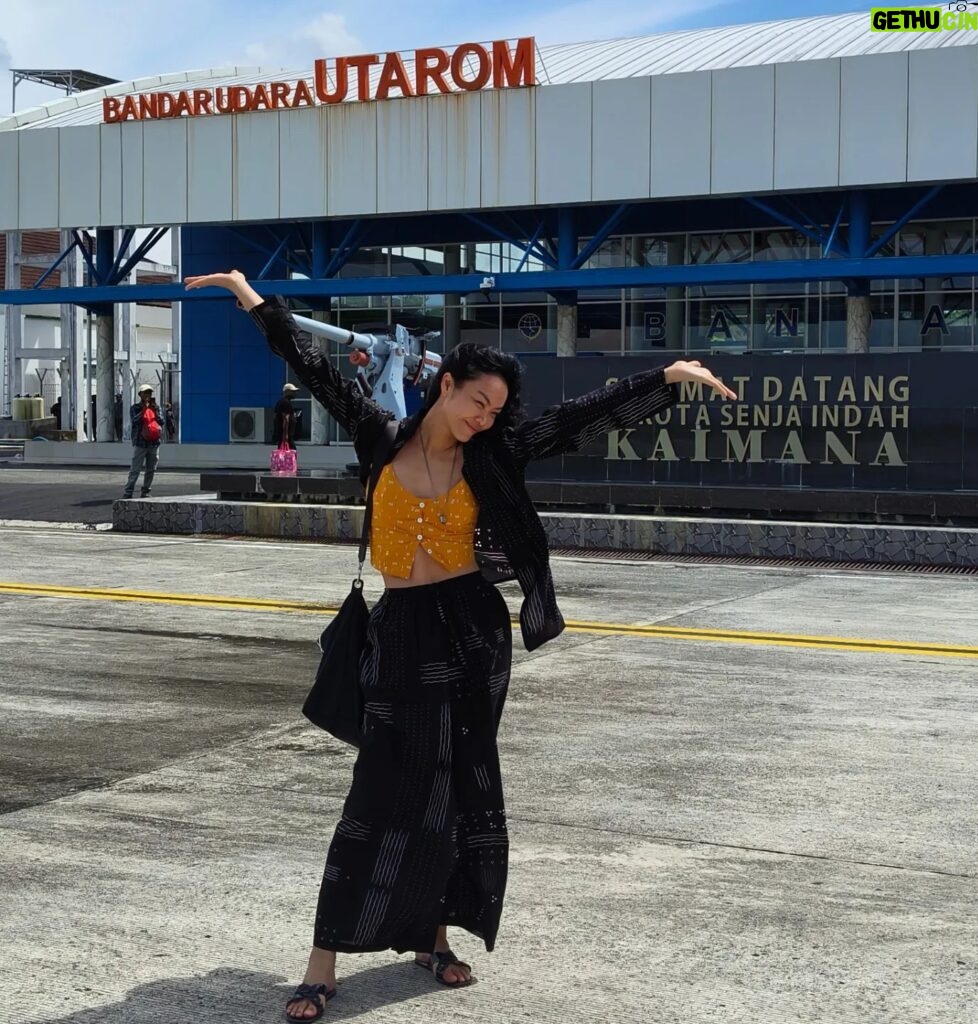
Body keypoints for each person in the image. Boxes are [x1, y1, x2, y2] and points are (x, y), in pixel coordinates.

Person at [184, 268, 737, 1022]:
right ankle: (323, 962)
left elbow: (578, 419)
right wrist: (249, 294)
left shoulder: (493, 455)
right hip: (401, 628)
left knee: (455, 786)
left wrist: (666, 377)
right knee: (376, 794)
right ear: (446, 385)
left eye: (496, 410)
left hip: (473, 630)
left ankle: (433, 939)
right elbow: (308, 365)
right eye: (478, 401)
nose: (485, 418)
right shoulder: (378, 433)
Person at [121, 384, 164, 499]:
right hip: (140, 443)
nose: (148, 395)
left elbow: (161, 422)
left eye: (149, 393)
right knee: (135, 469)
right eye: (145, 393)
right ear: (140, 394)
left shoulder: (156, 407)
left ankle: (146, 491)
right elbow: (135, 421)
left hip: (154, 443)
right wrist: (144, 410)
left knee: (151, 469)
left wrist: (154, 410)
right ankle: (128, 491)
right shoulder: (135, 408)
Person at [273, 382, 300, 449]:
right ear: (287, 392)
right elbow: (286, 419)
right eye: (293, 391)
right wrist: (285, 435)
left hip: (282, 434)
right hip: (286, 436)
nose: (295, 393)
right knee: (292, 452)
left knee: (282, 452)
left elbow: (275, 417)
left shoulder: (280, 402)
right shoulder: (286, 403)